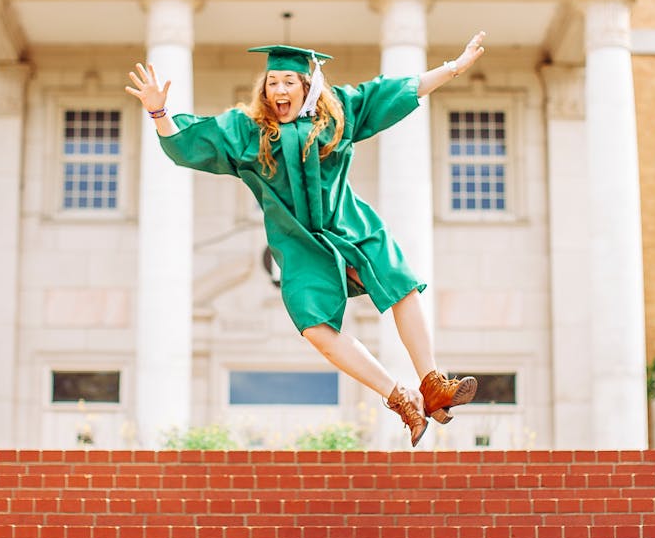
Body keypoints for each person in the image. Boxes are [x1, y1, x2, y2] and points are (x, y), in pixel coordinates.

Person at [126, 32, 487, 447]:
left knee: (401, 282)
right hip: (298, 242)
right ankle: (399, 397)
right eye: (272, 82)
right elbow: (191, 143)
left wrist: (453, 68)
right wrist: (159, 113)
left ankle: (432, 382)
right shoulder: (246, 131)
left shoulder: (337, 117)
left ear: (307, 85)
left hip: (349, 222)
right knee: (315, 328)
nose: (279, 89)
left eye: (289, 81)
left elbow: (392, 92)